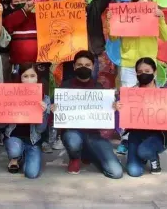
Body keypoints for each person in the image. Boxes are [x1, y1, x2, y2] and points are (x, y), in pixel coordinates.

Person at [51, 51, 123, 179]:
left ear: (93, 66)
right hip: (72, 132)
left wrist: (113, 108)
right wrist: (53, 110)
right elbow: (54, 117)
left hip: (93, 135)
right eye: (79, 65)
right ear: (74, 67)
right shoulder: (64, 87)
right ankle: (74, 157)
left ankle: (89, 154)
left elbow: (106, 115)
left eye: (87, 64)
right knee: (73, 141)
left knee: (116, 173)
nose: (83, 67)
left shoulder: (99, 88)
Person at [0, 63, 50, 179]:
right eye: (25, 76)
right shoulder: (10, 95)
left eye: (32, 76)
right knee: (15, 151)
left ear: (37, 78)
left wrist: (43, 113)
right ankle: (16, 157)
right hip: (14, 137)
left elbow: (41, 129)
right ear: (20, 78)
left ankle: (26, 155)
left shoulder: (45, 99)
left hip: (33, 141)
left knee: (31, 174)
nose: (29, 80)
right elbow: (2, 125)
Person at [121, 57, 167, 176]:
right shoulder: (130, 94)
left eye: (147, 71)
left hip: (157, 136)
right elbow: (125, 116)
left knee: (144, 151)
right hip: (136, 135)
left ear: (154, 72)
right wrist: (118, 107)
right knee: (134, 171)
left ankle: (153, 158)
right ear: (136, 74)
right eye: (139, 72)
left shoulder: (165, 94)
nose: (143, 74)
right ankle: (142, 155)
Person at [119, 0, 167, 88]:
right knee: (130, 100)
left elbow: (166, 36)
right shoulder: (121, 11)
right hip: (128, 64)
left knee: (148, 100)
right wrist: (111, 22)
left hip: (148, 65)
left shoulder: (152, 9)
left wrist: (161, 18)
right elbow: (113, 37)